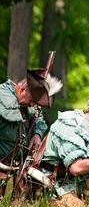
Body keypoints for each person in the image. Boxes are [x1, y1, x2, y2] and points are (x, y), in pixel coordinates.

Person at [0, 68, 62, 197]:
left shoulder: (26, 104)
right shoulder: (2, 98)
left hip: (10, 169)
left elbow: (37, 117)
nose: (33, 105)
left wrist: (36, 134)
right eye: (32, 101)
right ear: (22, 89)